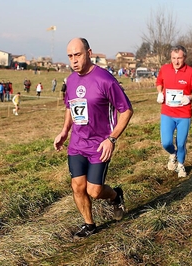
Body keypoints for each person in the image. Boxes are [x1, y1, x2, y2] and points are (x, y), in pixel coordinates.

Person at [53, 38, 134, 238]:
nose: (74, 60)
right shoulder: (70, 80)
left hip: (100, 145)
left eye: (78, 55)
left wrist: (112, 139)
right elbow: (70, 107)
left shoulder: (105, 80)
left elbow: (126, 111)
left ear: (89, 52)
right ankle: (89, 225)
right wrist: (64, 131)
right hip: (77, 143)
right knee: (77, 186)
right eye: (70, 56)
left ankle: (115, 196)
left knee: (95, 191)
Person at [156, 45, 192, 178]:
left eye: (179, 58)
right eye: (173, 58)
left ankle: (181, 166)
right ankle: (173, 154)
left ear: (185, 58)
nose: (176, 61)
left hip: (184, 114)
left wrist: (189, 97)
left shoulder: (191, 73)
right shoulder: (165, 69)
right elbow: (159, 81)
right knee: (166, 143)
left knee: (181, 143)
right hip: (167, 113)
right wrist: (160, 92)